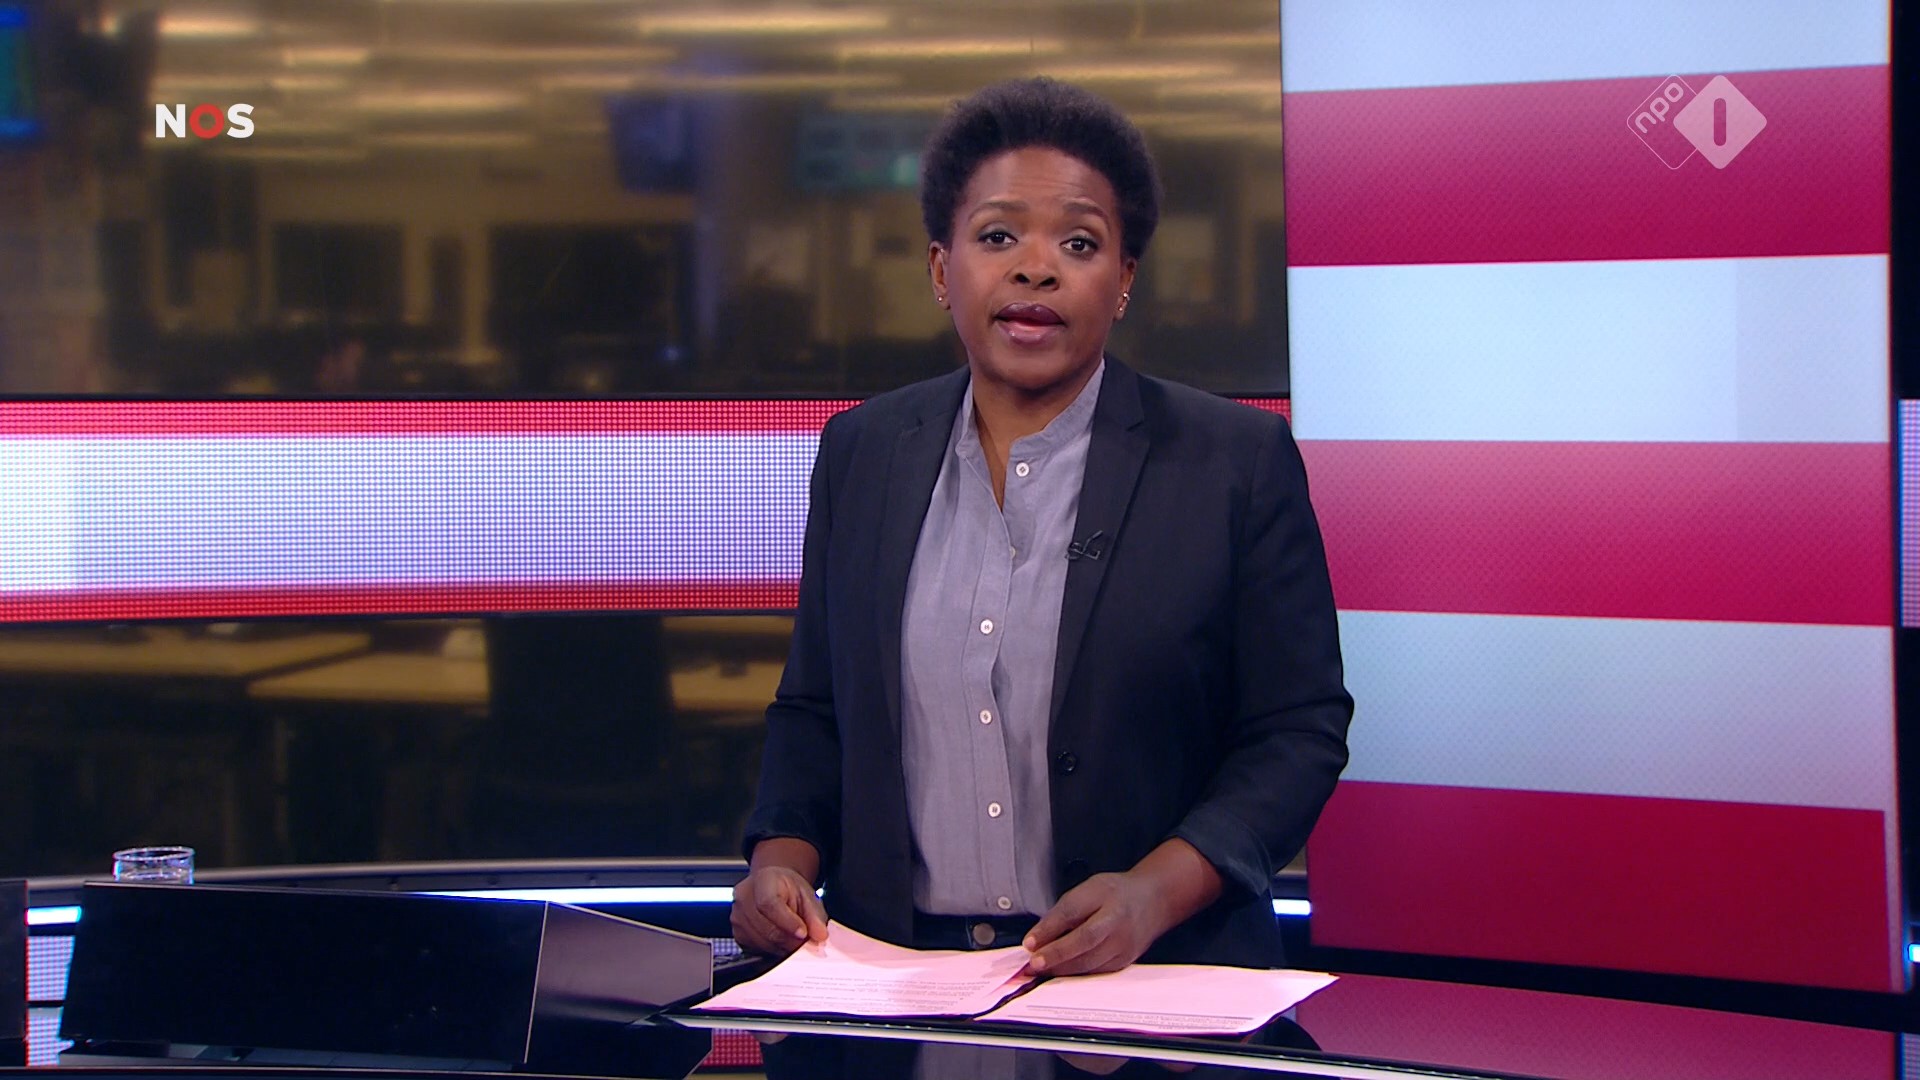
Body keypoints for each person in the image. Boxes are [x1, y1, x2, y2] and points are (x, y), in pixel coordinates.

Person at [732, 77, 1351, 975]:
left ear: (1124, 280)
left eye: (1079, 242)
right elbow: (815, 710)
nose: (1036, 268)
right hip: (895, 981)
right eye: (997, 237)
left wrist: (1152, 895)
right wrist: (779, 863)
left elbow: (1297, 730)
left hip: (1153, 981)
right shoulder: (863, 452)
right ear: (941, 269)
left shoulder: (1235, 462)